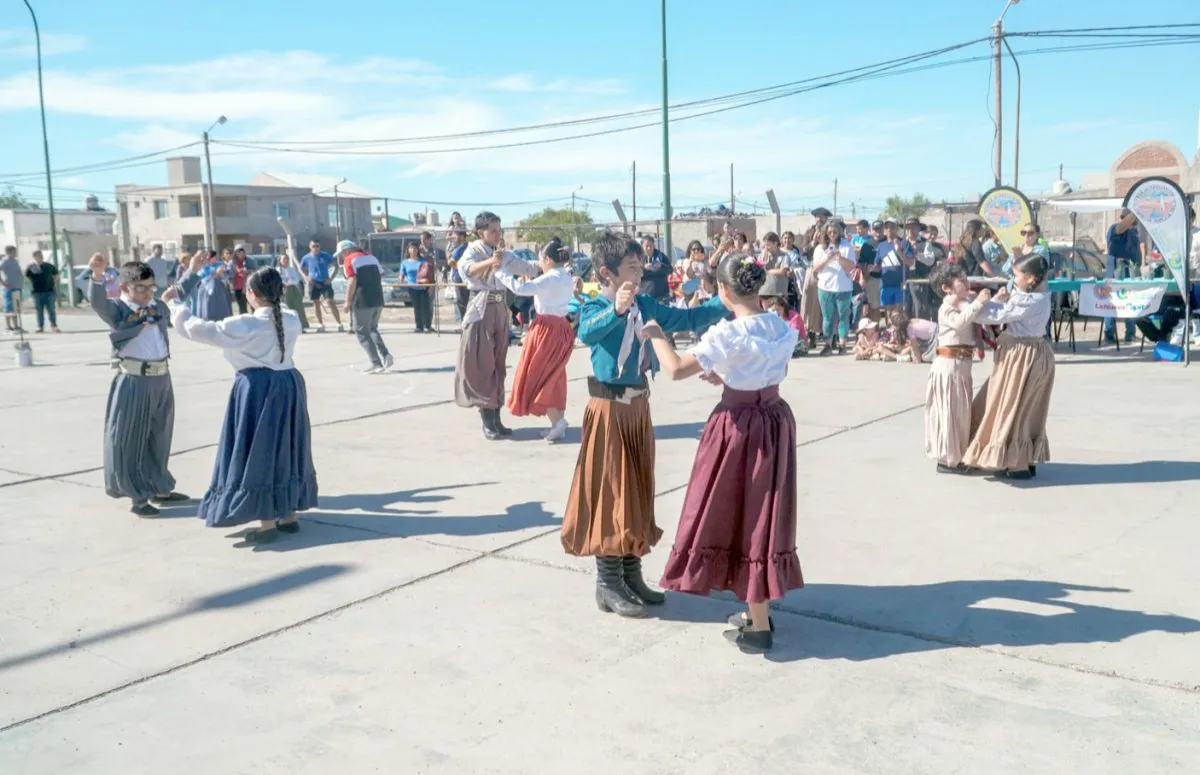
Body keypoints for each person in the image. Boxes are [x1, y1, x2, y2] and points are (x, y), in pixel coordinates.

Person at [561, 232, 728, 619]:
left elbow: (686, 319)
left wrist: (726, 301)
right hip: (610, 410)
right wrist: (616, 310)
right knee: (610, 494)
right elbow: (586, 332)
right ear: (607, 272)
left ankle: (631, 575)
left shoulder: (646, 304)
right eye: (632, 268)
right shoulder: (596, 305)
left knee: (635, 492)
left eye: (640, 267)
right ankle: (608, 583)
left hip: (638, 409)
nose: (639, 274)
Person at [641, 253, 803, 654]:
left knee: (739, 514)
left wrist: (656, 332)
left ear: (725, 292)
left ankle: (759, 625)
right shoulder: (779, 326)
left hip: (738, 427)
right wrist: (730, 373)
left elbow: (676, 369)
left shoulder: (728, 333)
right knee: (760, 514)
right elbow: (771, 371)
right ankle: (755, 608)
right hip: (774, 420)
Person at [164, 261, 316, 545]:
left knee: (259, 450)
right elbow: (278, 316)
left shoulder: (244, 324)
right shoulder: (291, 318)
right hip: (288, 384)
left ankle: (267, 523)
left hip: (257, 388)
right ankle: (288, 515)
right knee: (286, 447)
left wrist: (175, 304)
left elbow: (196, 329)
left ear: (251, 294)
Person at [86, 253, 188, 517]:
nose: (147, 293)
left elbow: (177, 292)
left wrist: (195, 271)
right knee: (131, 439)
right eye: (141, 288)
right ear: (124, 287)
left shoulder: (156, 307)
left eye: (151, 287)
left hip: (161, 378)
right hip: (134, 380)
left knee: (160, 436)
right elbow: (98, 303)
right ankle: (138, 496)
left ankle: (160, 486)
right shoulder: (119, 310)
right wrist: (97, 276)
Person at [963, 253, 1055, 480]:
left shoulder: (1030, 300)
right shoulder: (1037, 294)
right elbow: (1011, 306)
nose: (1014, 281)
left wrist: (979, 302)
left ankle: (1016, 463)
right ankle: (1024, 459)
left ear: (1031, 278)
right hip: (1032, 353)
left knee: (1011, 406)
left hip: (1022, 357)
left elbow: (994, 315)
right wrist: (1002, 298)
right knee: (1024, 408)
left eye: (1017, 276)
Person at [454, 211, 540, 439]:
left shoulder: (502, 253)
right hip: (481, 309)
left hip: (500, 309)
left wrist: (547, 265)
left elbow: (524, 266)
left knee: (498, 365)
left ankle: (496, 417)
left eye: (498, 230)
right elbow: (466, 270)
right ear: (480, 232)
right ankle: (487, 420)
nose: (497, 234)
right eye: (492, 231)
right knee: (484, 363)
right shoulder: (474, 251)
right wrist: (491, 262)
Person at [494, 237, 575, 441]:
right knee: (555, 376)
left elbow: (521, 289)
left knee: (539, 376)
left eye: (541, 259)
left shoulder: (550, 278)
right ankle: (557, 422)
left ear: (547, 259)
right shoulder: (566, 275)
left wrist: (501, 273)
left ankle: (558, 421)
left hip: (546, 329)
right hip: (562, 328)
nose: (539, 264)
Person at [925, 262, 991, 474]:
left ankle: (959, 454)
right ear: (946, 288)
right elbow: (960, 322)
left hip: (962, 365)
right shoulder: (946, 308)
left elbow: (975, 316)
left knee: (960, 413)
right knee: (949, 413)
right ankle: (947, 459)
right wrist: (978, 303)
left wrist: (992, 300)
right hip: (948, 365)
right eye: (960, 281)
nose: (966, 283)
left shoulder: (965, 303)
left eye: (965, 278)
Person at [338, 239, 393, 374]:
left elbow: (352, 280)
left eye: (341, 253)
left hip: (362, 300)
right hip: (377, 298)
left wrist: (347, 301)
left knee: (361, 331)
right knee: (372, 328)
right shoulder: (371, 257)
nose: (341, 256)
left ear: (347, 251)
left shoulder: (349, 259)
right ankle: (385, 354)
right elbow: (382, 273)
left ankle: (376, 363)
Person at [813, 219, 857, 355]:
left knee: (843, 317)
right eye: (830, 232)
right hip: (825, 287)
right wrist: (826, 258)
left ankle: (842, 345)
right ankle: (827, 344)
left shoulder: (846, 245)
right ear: (826, 233)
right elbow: (815, 268)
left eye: (835, 232)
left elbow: (852, 265)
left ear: (839, 232)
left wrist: (840, 258)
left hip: (843, 287)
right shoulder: (820, 248)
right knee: (827, 318)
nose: (832, 234)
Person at [1104, 209, 1143, 343]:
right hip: (1117, 271)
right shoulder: (1115, 229)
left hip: (1130, 272)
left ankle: (1130, 334)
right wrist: (1136, 210)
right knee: (1112, 301)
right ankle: (1109, 333)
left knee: (1130, 302)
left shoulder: (1134, 232)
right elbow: (1121, 227)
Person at [299, 240, 343, 333]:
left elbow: (336, 266)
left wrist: (331, 278)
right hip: (314, 282)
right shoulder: (306, 257)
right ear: (310, 247)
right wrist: (306, 277)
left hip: (325, 282)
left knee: (330, 301)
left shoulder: (325, 255)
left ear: (320, 247)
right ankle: (320, 324)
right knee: (316, 303)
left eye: (317, 246)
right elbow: (301, 268)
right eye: (313, 246)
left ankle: (339, 323)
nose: (315, 248)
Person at [875, 219, 913, 315]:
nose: (889, 229)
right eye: (886, 227)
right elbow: (878, 265)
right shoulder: (881, 246)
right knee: (888, 314)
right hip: (886, 285)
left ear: (897, 229)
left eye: (892, 227)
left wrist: (899, 251)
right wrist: (872, 268)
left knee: (899, 314)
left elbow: (910, 263)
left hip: (900, 285)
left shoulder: (904, 243)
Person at [187, 250, 234, 321]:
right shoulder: (204, 266)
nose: (216, 258)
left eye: (216, 257)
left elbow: (227, 276)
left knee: (222, 308)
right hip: (206, 291)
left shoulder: (220, 264)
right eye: (214, 257)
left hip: (220, 290)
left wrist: (222, 274)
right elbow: (202, 279)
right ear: (209, 258)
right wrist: (216, 274)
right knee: (208, 308)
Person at [905, 218, 936, 321]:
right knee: (906, 308)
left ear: (918, 229)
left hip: (919, 280)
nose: (910, 229)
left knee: (920, 308)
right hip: (904, 279)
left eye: (913, 227)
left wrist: (917, 254)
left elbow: (930, 260)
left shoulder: (925, 243)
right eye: (908, 227)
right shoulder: (902, 243)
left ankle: (922, 329)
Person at [400, 243, 435, 333]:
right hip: (412, 287)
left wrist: (431, 286)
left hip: (423, 287)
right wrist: (400, 282)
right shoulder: (405, 262)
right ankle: (419, 326)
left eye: (414, 248)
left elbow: (429, 273)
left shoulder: (423, 261)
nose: (413, 250)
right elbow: (402, 275)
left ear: (417, 250)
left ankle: (427, 325)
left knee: (425, 307)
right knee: (417, 307)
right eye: (411, 248)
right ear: (408, 250)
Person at [25, 250, 60, 333]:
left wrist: (53, 283)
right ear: (34, 257)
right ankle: (40, 327)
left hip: (49, 291)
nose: (40, 257)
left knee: (51, 309)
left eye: (41, 255)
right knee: (39, 310)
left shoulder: (49, 266)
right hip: (37, 292)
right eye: (37, 256)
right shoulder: (31, 267)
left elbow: (56, 275)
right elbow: (27, 276)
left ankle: (54, 325)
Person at [277, 251, 310, 330]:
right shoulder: (277, 270)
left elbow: (297, 279)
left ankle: (300, 327)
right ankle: (287, 327)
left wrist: (289, 282)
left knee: (298, 308)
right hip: (282, 291)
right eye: (284, 259)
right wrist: (284, 283)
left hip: (294, 290)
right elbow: (278, 280)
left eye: (287, 259)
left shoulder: (292, 269)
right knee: (286, 309)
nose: (286, 260)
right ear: (280, 261)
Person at [639, 235, 672, 302]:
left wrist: (661, 266)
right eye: (646, 246)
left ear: (654, 245)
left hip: (662, 296)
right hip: (645, 296)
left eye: (650, 246)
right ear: (642, 247)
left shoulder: (660, 256)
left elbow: (670, 270)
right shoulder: (638, 258)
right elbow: (634, 272)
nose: (649, 248)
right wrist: (644, 268)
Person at [447, 227, 470, 321]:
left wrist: (450, 259)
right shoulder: (463, 247)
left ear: (462, 236)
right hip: (462, 278)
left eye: (455, 235)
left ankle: (465, 323)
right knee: (464, 302)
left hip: (461, 279)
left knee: (462, 302)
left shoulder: (462, 248)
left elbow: (451, 262)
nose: (453, 237)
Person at [1, 245, 24, 333]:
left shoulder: (15, 261)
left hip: (17, 287)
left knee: (16, 307)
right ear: (8, 252)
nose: (15, 253)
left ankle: (16, 326)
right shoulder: (5, 261)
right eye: (13, 252)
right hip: (9, 288)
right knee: (8, 307)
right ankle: (8, 327)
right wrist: (3, 282)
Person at [229, 246, 250, 314]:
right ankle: (243, 318)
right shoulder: (232, 263)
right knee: (241, 306)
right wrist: (236, 272)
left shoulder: (248, 261)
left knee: (248, 305)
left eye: (242, 252)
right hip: (237, 287)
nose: (240, 254)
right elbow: (229, 274)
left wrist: (247, 271)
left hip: (247, 286)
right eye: (238, 252)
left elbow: (255, 270)